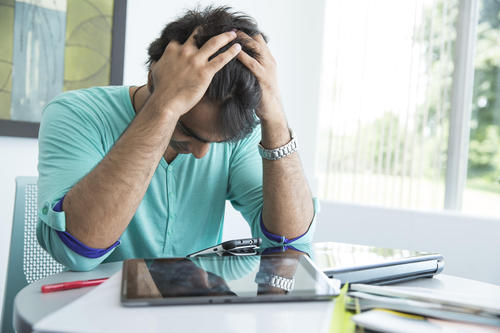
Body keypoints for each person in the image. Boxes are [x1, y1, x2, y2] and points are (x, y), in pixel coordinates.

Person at [37, 6, 318, 271]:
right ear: (153, 80)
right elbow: (77, 251)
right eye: (188, 132)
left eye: (216, 142)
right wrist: (163, 108)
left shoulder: (232, 128)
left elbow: (289, 243)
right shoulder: (75, 113)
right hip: (95, 314)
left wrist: (276, 119)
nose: (201, 154)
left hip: (194, 314)